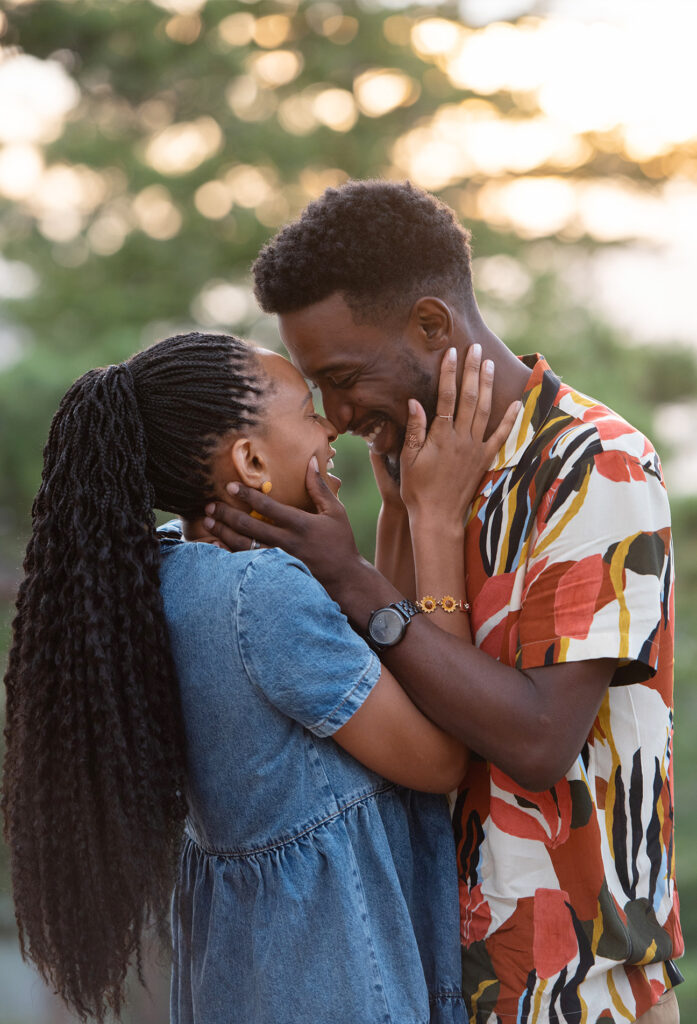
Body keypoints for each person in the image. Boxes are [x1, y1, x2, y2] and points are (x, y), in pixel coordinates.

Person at [203, 180, 684, 1024]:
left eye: (346, 379)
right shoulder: (420, 467)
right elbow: (395, 700)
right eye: (322, 395)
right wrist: (383, 528)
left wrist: (354, 579)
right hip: (428, 976)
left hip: (571, 988)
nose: (343, 418)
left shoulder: (594, 465)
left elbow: (536, 741)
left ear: (432, 325)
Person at [2, 330, 516, 1024]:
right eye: (308, 411)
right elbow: (441, 753)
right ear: (249, 459)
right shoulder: (263, 596)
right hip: (338, 977)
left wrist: (393, 506)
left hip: (250, 973)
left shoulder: (161, 579)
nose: (331, 424)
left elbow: (388, 663)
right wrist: (436, 521)